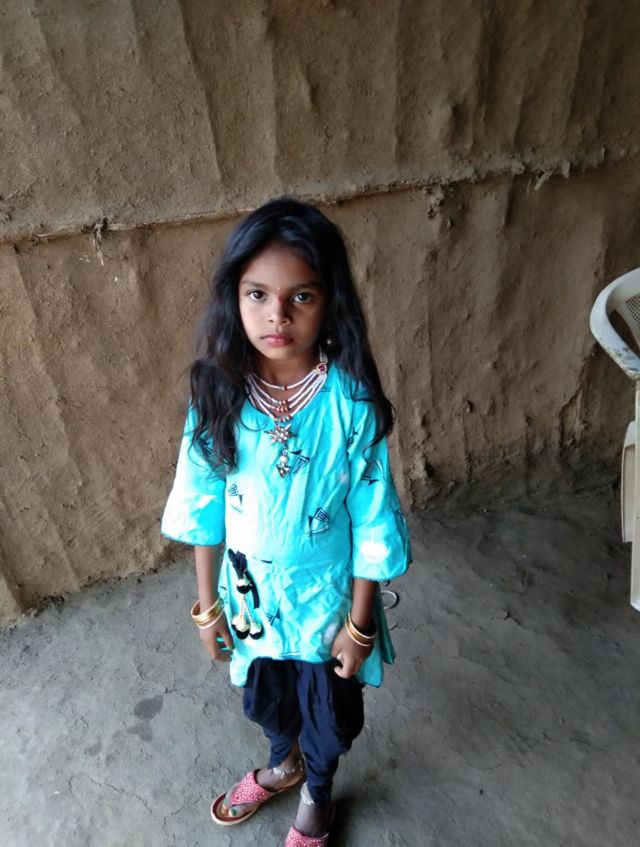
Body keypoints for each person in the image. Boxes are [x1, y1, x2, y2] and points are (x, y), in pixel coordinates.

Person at [161, 196, 411, 847]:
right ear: (234, 299)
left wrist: (361, 623)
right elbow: (203, 509)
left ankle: (318, 791)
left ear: (330, 302)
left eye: (301, 296)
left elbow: (372, 518)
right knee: (264, 697)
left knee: (331, 713)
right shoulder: (217, 395)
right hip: (249, 601)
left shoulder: (350, 403)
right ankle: (283, 762)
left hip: (328, 604)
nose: (278, 315)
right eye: (258, 295)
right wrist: (207, 608)